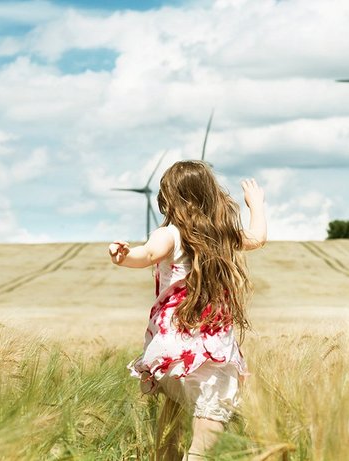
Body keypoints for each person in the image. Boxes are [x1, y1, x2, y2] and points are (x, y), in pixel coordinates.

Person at [109, 160, 266, 460]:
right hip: (208, 349)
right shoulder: (219, 235)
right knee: (209, 421)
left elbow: (148, 253)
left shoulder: (170, 233)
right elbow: (257, 238)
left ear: (169, 198)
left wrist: (125, 256)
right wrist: (256, 205)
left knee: (175, 412)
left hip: (170, 351)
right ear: (210, 194)